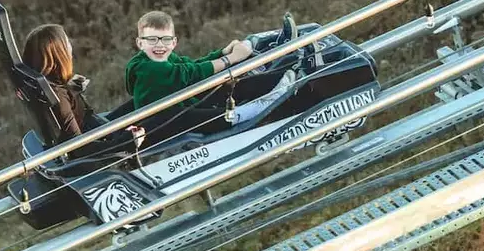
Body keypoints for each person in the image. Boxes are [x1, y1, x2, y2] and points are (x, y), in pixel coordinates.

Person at [125, 11, 297, 126]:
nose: (160, 45)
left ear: (174, 42)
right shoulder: (148, 68)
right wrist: (231, 58)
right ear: (140, 43)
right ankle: (257, 108)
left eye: (165, 40)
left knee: (222, 86)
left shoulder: (164, 57)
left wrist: (222, 52)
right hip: (162, 123)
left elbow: (192, 65)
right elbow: (192, 73)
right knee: (201, 115)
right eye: (152, 40)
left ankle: (279, 60)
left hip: (178, 103)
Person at [22, 24, 144, 153]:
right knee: (160, 115)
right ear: (59, 53)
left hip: (97, 127)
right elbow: (79, 149)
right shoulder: (58, 98)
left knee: (143, 100)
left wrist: (71, 92)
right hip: (104, 143)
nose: (70, 46)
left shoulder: (47, 87)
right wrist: (126, 142)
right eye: (67, 42)